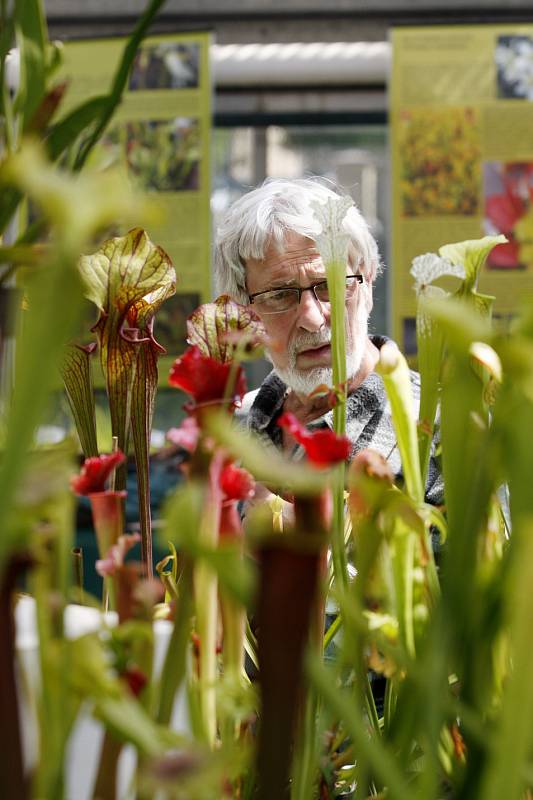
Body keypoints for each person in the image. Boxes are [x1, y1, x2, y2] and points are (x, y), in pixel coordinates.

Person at [214, 177, 443, 507]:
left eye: (329, 285)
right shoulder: (234, 425)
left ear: (367, 278)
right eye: (279, 295)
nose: (312, 317)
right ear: (244, 311)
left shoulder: (441, 425)